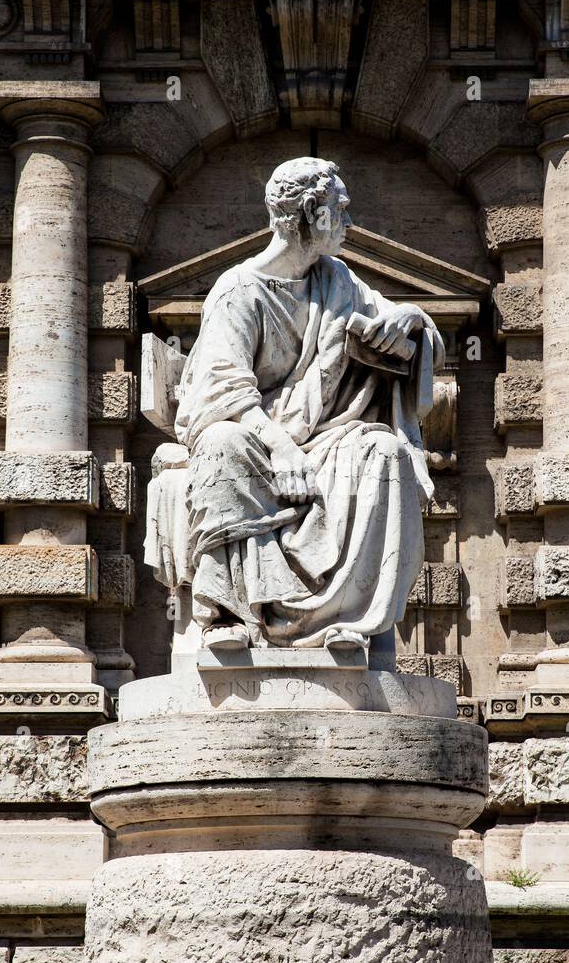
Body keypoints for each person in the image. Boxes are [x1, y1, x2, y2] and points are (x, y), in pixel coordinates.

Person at [145, 156, 444, 652]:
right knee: (224, 442)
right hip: (254, 435)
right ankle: (232, 615)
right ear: (313, 212)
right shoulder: (237, 291)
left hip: (323, 438)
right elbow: (223, 392)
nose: (348, 223)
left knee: (384, 453)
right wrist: (283, 450)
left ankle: (348, 622)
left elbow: (405, 326)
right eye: (340, 210)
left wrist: (410, 317)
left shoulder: (339, 280)